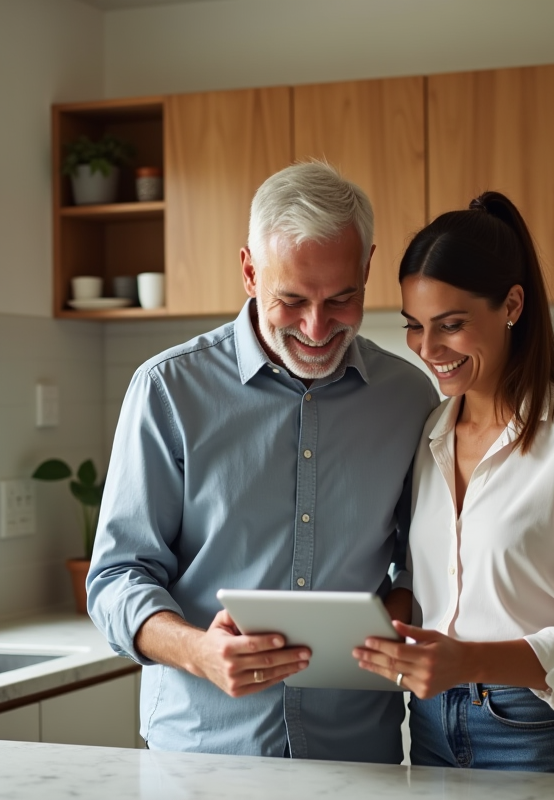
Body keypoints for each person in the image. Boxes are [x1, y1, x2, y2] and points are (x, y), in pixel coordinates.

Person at [86, 161, 439, 763]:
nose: (317, 326)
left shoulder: (410, 398)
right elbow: (116, 578)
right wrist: (197, 650)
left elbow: (423, 565)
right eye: (293, 299)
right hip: (202, 754)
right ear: (250, 271)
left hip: (356, 755)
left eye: (342, 299)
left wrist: (381, 629)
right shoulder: (168, 390)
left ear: (368, 268)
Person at [353, 191, 554, 774]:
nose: (427, 350)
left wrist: (469, 661)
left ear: (511, 304)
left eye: (451, 326)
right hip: (430, 722)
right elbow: (429, 581)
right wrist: (372, 626)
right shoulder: (429, 433)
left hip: (537, 730)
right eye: (414, 326)